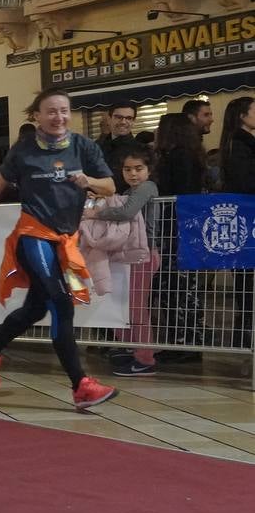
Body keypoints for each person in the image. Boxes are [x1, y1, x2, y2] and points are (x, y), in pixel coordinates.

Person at [0, 89, 119, 411]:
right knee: (62, 305)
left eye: (64, 110)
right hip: (33, 236)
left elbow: (110, 186)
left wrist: (87, 180)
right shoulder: (23, 150)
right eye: (51, 111)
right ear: (36, 115)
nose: (59, 117)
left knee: (36, 308)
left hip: (66, 242)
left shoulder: (84, 146)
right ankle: (81, 386)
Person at [81, 145, 159, 377]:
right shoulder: (129, 190)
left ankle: (146, 357)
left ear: (149, 170)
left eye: (138, 168)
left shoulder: (146, 188)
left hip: (143, 255)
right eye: (127, 169)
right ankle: (136, 349)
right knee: (123, 306)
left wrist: (96, 213)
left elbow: (126, 212)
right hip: (128, 255)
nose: (133, 174)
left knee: (136, 309)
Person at [152, 113, 207, 357]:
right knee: (184, 288)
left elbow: (178, 193)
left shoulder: (177, 157)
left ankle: (183, 342)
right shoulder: (192, 155)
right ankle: (187, 341)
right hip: (187, 231)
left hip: (177, 231)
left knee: (176, 288)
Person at [219, 96, 255, 349]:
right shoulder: (239, 146)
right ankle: (245, 337)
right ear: (242, 115)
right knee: (247, 283)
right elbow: (245, 181)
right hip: (246, 217)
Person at [96, 102, 138, 192]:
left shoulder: (141, 150)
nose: (123, 122)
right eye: (118, 117)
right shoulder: (95, 147)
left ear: (133, 122)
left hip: (127, 202)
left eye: (129, 118)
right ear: (109, 119)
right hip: (96, 201)